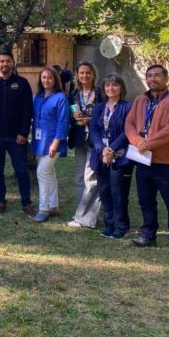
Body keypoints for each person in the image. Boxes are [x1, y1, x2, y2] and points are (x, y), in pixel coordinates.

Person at [124, 64, 169, 258]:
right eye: (149, 75)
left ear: (166, 78)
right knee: (145, 200)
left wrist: (148, 143)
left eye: (157, 75)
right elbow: (130, 124)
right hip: (143, 159)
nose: (153, 79)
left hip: (167, 162)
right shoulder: (140, 100)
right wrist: (138, 142)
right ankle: (148, 234)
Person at [0, 50, 34, 216]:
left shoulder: (22, 83)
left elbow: (28, 110)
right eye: (1, 61)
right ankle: (0, 201)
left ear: (13, 63)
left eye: (8, 61)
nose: (5, 64)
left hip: (17, 138)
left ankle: (26, 203)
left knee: (21, 170)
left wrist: (24, 132)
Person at [89, 73, 133, 239]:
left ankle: (121, 226)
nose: (110, 88)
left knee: (118, 192)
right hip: (101, 155)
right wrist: (102, 149)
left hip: (120, 156)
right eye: (107, 85)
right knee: (104, 190)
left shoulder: (128, 107)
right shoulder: (100, 107)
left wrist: (112, 148)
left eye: (114, 85)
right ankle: (109, 224)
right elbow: (94, 129)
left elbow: (127, 131)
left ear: (121, 88)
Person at [67, 61, 104, 228]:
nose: (84, 76)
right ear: (77, 75)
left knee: (92, 179)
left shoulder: (101, 93)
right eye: (81, 73)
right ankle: (81, 213)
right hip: (79, 139)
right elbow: (68, 114)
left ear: (93, 75)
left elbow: (107, 115)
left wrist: (91, 119)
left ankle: (88, 218)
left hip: (96, 141)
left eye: (88, 72)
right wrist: (74, 118)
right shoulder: (74, 94)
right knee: (80, 178)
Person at [30, 67, 69, 223]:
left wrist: (55, 143)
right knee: (49, 173)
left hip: (54, 142)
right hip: (40, 141)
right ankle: (54, 205)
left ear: (55, 80)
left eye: (50, 78)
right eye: (43, 77)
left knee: (41, 172)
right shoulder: (38, 97)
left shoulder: (61, 97)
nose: (46, 80)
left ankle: (43, 208)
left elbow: (63, 122)